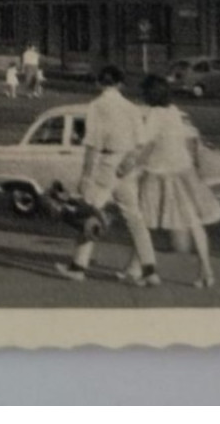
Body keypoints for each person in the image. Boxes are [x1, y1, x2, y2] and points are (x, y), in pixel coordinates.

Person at [55, 65, 159, 286]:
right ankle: (149, 270)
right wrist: (128, 163)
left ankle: (78, 267)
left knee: (88, 214)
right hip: (127, 165)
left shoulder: (96, 106)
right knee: (135, 218)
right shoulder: (132, 108)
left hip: (106, 164)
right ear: (120, 84)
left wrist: (85, 177)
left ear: (98, 83)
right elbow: (141, 143)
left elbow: (92, 145)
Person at [128, 74, 220, 288]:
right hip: (183, 170)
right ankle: (206, 272)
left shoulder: (154, 114)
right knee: (193, 222)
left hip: (159, 172)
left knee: (144, 221)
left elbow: (144, 144)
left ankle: (139, 270)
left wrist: (132, 166)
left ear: (149, 94)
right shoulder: (173, 112)